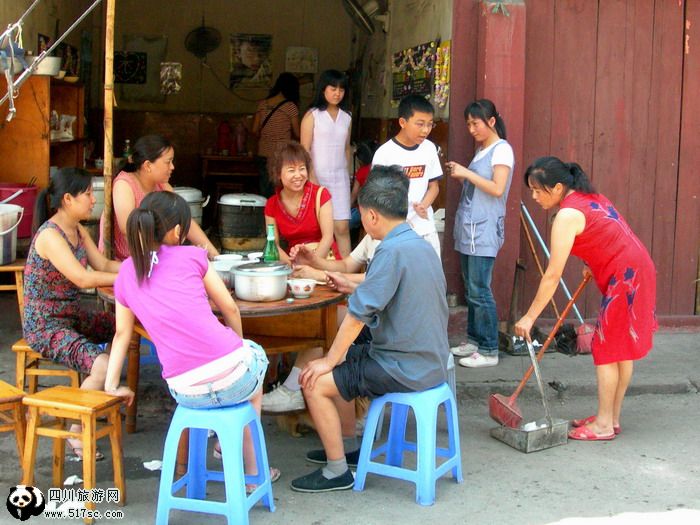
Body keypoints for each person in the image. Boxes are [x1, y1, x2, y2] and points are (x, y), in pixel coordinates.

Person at [289, 165, 449, 493]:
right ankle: (344, 448)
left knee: (316, 380)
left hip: (404, 367)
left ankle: (337, 472)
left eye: (361, 214)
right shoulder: (418, 244)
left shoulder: (390, 250)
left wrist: (329, 362)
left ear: (372, 216)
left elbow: (357, 315)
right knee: (341, 357)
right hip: (429, 360)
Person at [104, 191, 279, 486]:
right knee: (254, 372)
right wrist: (239, 348)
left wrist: (111, 385)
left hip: (184, 391)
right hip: (233, 378)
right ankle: (250, 473)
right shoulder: (193, 256)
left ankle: (223, 449)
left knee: (236, 377)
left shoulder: (125, 273)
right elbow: (230, 308)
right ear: (176, 231)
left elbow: (122, 333)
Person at [514, 157, 657, 441]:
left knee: (606, 350)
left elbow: (552, 275)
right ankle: (611, 418)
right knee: (620, 349)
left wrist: (530, 316)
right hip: (636, 269)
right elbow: (608, 234)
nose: (533, 196)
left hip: (625, 278)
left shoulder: (567, 215)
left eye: (537, 190)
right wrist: (595, 261)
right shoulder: (589, 197)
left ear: (556, 188)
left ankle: (603, 425)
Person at [23, 168, 125, 460]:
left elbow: (103, 265)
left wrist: (140, 269)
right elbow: (82, 278)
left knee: (125, 325)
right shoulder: (50, 236)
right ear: (68, 199)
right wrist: (127, 280)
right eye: (89, 194)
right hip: (46, 326)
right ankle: (76, 431)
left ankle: (101, 400)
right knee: (104, 364)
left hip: (71, 316)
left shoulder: (77, 229)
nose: (94, 199)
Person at [261, 141, 340, 413]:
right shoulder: (271, 205)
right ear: (278, 174)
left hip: (324, 260)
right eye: (291, 170)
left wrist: (311, 260)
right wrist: (293, 263)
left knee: (321, 320)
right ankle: (283, 381)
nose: (298, 175)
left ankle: (297, 386)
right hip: (294, 266)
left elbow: (329, 237)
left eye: (302, 168)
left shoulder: (321, 195)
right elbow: (273, 244)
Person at [446, 99, 514, 368]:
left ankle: (489, 349)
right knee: (471, 287)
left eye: (476, 123)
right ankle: (474, 340)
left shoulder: (502, 150)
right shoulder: (482, 150)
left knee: (480, 290)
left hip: (484, 229)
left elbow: (497, 188)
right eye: (468, 124)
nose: (471, 129)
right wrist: (462, 175)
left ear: (491, 122)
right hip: (470, 227)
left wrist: (466, 173)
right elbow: (479, 187)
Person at [98, 134, 218, 261]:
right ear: (148, 165)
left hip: (157, 258)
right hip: (128, 263)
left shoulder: (161, 184)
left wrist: (214, 256)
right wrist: (162, 257)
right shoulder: (124, 184)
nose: (172, 167)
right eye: (168, 162)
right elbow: (128, 229)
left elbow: (186, 220)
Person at [372, 94, 442, 258]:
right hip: (394, 230)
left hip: (424, 227)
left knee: (429, 278)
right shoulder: (385, 154)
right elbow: (375, 195)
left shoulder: (429, 148)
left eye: (430, 124)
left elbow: (434, 187)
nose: (425, 130)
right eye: (420, 124)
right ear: (402, 122)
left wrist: (424, 205)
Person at [300, 69, 353, 257]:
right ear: (323, 89)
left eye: (341, 89)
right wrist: (311, 178)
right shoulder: (312, 116)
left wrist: (348, 174)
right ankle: (317, 268)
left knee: (342, 227)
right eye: (333, 88)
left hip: (340, 178)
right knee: (320, 229)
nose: (337, 93)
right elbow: (304, 149)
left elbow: (347, 148)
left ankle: (347, 269)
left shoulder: (347, 117)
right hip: (316, 177)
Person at [252, 72, 301, 197]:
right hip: (281, 155)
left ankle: (265, 214)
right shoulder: (290, 107)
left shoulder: (262, 104)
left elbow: (254, 130)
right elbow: (297, 133)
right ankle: (276, 216)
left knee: (265, 189)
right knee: (279, 191)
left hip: (263, 153)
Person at [349, 139, 378, 231]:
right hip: (378, 209)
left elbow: (354, 195)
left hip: (364, 210)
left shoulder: (361, 172)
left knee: (343, 225)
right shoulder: (377, 168)